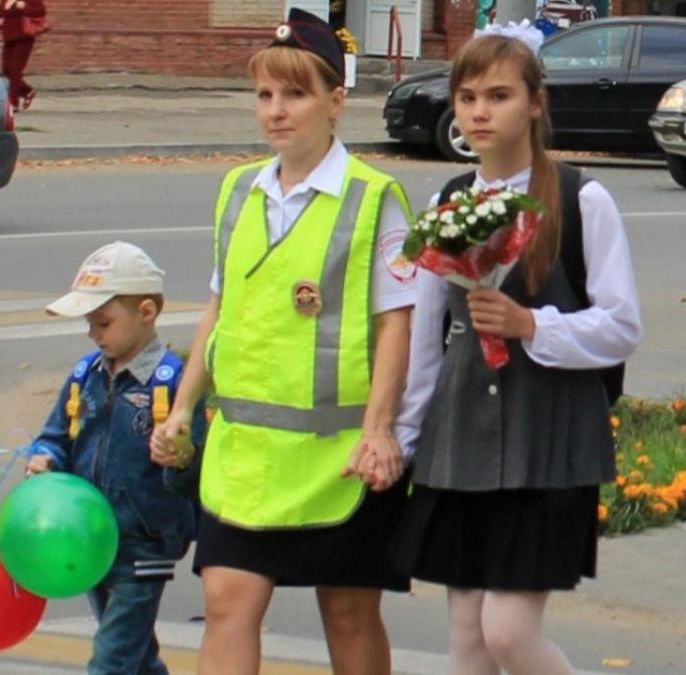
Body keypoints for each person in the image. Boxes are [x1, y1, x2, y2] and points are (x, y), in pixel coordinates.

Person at [149, 8, 417, 675]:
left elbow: (396, 324)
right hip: (245, 455)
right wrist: (183, 407)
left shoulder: (376, 198)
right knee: (226, 603)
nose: (276, 111)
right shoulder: (239, 190)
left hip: (342, 459)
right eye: (265, 94)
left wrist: (381, 429)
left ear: (335, 102)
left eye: (294, 94)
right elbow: (220, 308)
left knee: (351, 614)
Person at [389, 22, 642, 675]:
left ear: (536, 103)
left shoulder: (579, 198)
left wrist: (533, 326)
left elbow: (621, 325)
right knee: (467, 638)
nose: (479, 111)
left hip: (549, 442)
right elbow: (423, 338)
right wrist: (402, 435)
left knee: (507, 631)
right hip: (462, 439)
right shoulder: (448, 201)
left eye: (498, 95)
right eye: (467, 96)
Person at [25, 241, 207, 675]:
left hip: (145, 542)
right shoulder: (85, 375)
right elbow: (55, 437)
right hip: (89, 537)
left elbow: (196, 466)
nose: (94, 333)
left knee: (112, 658)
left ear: (147, 312)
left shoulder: (173, 384)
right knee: (134, 654)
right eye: (90, 323)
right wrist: (44, 459)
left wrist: (181, 456)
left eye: (103, 322)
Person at [0, 0, 48, 111]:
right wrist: (0, 20)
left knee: (15, 70)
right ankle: (26, 91)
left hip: (24, 36)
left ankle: (13, 103)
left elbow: (41, 11)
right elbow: (0, 10)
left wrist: (23, 7)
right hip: (9, 36)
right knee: (6, 70)